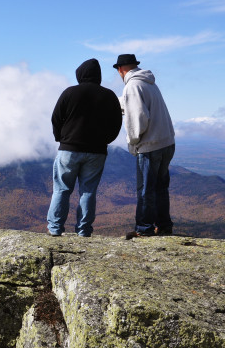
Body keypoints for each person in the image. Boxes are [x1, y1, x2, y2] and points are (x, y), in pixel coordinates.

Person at [47, 58, 122, 237]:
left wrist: (61, 138)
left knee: (62, 189)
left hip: (69, 149)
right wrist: (106, 140)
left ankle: (55, 229)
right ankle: (83, 231)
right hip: (97, 151)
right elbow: (117, 124)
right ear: (99, 76)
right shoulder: (109, 95)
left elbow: (56, 118)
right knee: (88, 191)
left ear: (80, 74)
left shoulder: (70, 92)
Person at [114, 53, 176, 239]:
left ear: (120, 70)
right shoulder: (149, 83)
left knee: (145, 190)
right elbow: (134, 106)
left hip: (150, 146)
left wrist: (132, 143)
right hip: (167, 142)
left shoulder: (132, 86)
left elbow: (138, 118)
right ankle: (164, 226)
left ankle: (144, 228)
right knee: (160, 188)